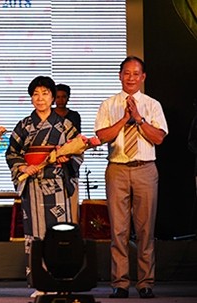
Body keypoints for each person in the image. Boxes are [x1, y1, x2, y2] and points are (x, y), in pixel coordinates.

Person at [94, 56, 168, 299]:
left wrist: (139, 118)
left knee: (146, 229)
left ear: (143, 77)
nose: (131, 78)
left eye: (136, 74)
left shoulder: (152, 104)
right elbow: (103, 136)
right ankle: (120, 283)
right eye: (127, 73)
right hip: (117, 168)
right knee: (118, 230)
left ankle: (146, 283)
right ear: (120, 75)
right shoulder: (108, 104)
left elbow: (158, 138)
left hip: (145, 168)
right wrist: (125, 118)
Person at [5, 76, 82, 298]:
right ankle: (40, 280)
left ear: (52, 97)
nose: (40, 98)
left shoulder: (65, 125)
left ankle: (61, 278)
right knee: (35, 235)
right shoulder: (24, 126)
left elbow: (77, 151)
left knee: (59, 234)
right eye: (36, 94)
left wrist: (66, 160)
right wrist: (22, 168)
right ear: (31, 98)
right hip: (33, 185)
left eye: (45, 93)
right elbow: (12, 153)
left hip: (57, 186)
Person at [55, 83, 82, 223]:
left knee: (71, 201)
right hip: (52, 161)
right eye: (58, 97)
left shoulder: (74, 116)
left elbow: (77, 139)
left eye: (63, 97)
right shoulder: (49, 115)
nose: (60, 100)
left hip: (70, 162)